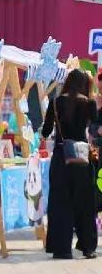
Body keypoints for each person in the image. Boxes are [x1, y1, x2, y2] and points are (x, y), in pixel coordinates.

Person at [41, 68, 98, 259]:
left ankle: (62, 248)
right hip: (81, 157)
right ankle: (87, 247)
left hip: (61, 156)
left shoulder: (56, 102)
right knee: (84, 203)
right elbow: (94, 126)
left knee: (60, 203)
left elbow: (46, 131)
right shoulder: (89, 103)